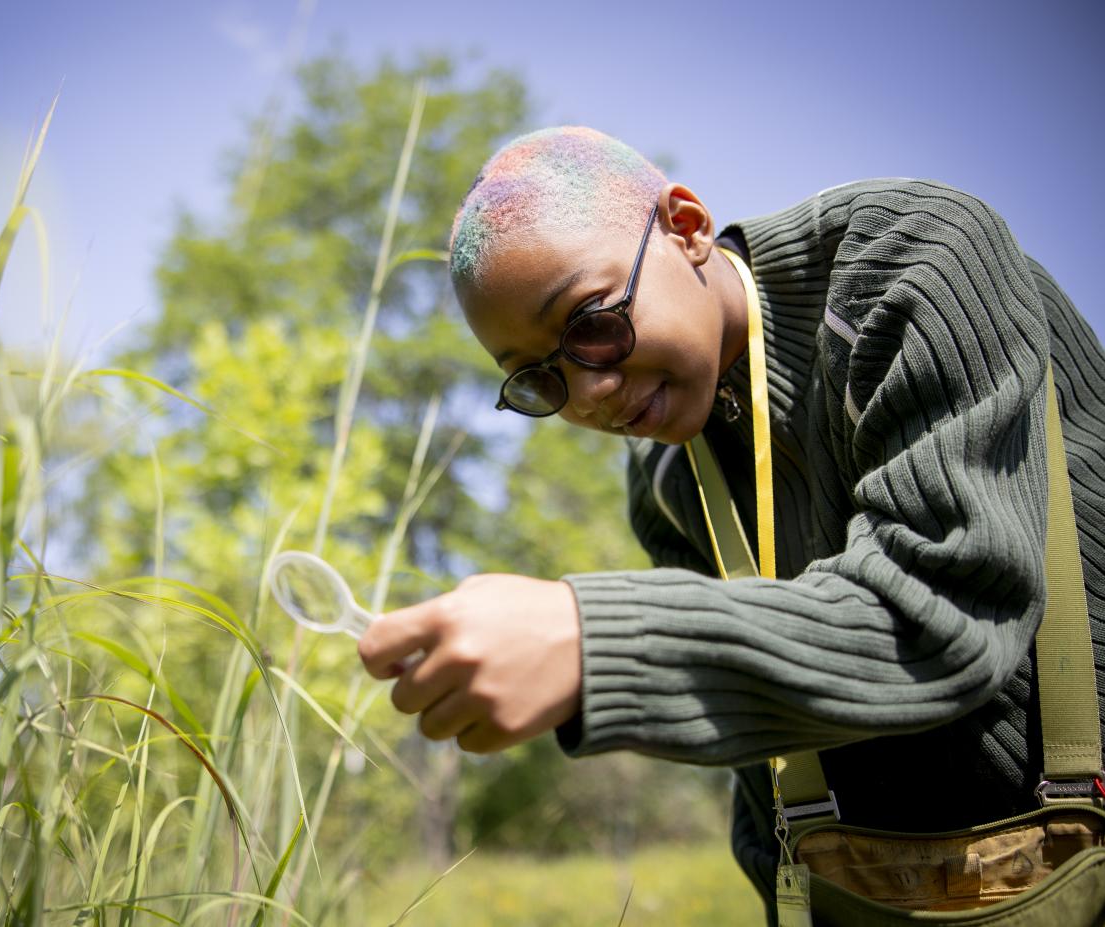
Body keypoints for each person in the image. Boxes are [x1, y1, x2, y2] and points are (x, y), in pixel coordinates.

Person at [355, 126, 1105, 919]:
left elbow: (950, 609)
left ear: (687, 227)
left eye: (590, 324)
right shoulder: (665, 476)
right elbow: (767, 779)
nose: (590, 393)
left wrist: (591, 639)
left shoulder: (910, 263)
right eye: (541, 381)